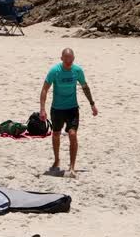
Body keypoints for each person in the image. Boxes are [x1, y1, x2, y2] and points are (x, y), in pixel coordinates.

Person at [39, 48, 98, 179]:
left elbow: (85, 87)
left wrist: (92, 104)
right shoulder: (54, 71)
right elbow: (44, 89)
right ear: (61, 58)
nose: (68, 61)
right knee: (55, 134)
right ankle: (57, 160)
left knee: (72, 134)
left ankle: (72, 166)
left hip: (72, 108)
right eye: (66, 59)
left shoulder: (77, 70)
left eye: (71, 59)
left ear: (73, 59)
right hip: (57, 108)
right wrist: (42, 109)